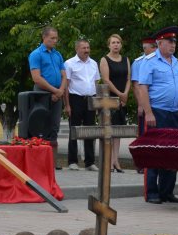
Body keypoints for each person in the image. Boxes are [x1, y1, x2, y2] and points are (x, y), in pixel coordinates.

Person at [137, 26, 178, 204]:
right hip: (157, 112)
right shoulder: (149, 61)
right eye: (169, 42)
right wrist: (149, 112)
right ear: (159, 43)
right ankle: (152, 192)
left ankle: (167, 192)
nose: (173, 45)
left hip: (174, 112)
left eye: (174, 42)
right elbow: (142, 87)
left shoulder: (176, 62)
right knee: (154, 152)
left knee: (172, 153)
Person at [28, 26, 67, 170]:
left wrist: (60, 91)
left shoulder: (57, 55)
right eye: (52, 38)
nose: (55, 41)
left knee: (54, 127)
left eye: (56, 38)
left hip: (57, 93)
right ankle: (39, 162)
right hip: (42, 94)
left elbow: (64, 75)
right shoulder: (36, 54)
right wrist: (54, 91)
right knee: (40, 126)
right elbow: (37, 78)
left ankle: (53, 161)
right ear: (44, 37)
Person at [63, 39, 100, 171]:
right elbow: (65, 86)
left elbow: (96, 83)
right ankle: (72, 161)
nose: (86, 50)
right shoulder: (69, 64)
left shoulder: (94, 63)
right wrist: (67, 105)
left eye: (88, 48)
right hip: (75, 99)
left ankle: (90, 162)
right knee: (74, 130)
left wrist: (96, 103)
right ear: (77, 49)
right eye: (83, 48)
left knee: (90, 131)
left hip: (90, 99)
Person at [100, 34, 130, 173]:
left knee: (118, 131)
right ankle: (109, 162)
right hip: (111, 97)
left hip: (122, 98)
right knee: (109, 131)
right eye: (113, 42)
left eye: (118, 42)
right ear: (109, 45)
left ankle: (116, 160)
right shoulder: (104, 60)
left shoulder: (126, 59)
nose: (116, 45)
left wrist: (125, 94)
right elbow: (106, 80)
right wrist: (119, 94)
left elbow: (128, 79)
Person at [130, 36, 156, 174]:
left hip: (157, 104)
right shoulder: (139, 62)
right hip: (145, 105)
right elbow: (136, 86)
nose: (144, 50)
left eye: (147, 48)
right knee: (142, 135)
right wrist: (141, 104)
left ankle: (153, 163)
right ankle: (141, 164)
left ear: (154, 48)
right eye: (144, 48)